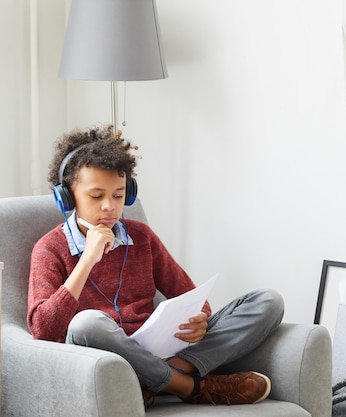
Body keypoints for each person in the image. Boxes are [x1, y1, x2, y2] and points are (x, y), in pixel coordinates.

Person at [27, 125, 284, 406]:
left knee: (268, 301)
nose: (110, 207)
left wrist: (198, 319)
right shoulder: (49, 248)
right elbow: (43, 330)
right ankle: (190, 387)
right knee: (87, 322)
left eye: (118, 195)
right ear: (67, 196)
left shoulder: (141, 237)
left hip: (157, 349)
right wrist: (87, 259)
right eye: (97, 196)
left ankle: (158, 379)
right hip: (104, 357)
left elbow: (192, 297)